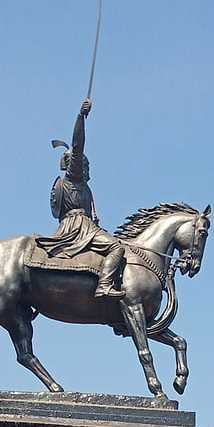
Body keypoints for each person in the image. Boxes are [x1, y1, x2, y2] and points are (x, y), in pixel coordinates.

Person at [35, 97, 125, 298]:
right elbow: (78, 144)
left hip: (81, 224)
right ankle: (104, 285)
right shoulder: (73, 178)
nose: (85, 166)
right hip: (79, 226)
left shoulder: (82, 186)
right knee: (116, 248)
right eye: (82, 163)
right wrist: (81, 117)